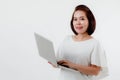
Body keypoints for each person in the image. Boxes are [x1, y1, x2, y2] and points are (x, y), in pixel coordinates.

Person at [49, 4, 108, 80]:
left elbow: (95, 71)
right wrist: (54, 62)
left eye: (82, 19)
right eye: (75, 19)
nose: (78, 22)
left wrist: (72, 65)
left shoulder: (94, 43)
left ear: (89, 21)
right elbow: (59, 62)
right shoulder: (67, 39)